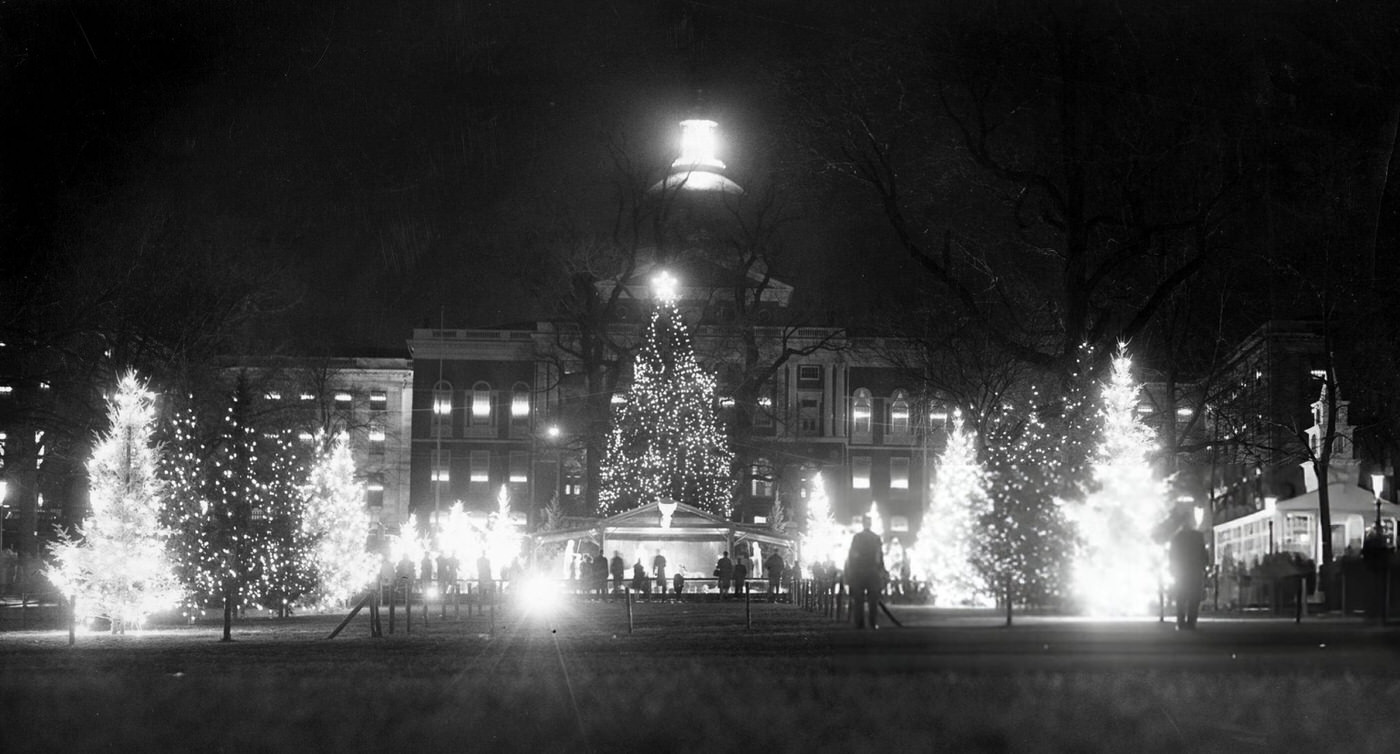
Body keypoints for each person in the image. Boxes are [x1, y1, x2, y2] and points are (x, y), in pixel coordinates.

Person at [845, 515, 886, 629]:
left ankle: (859, 623)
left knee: (859, 600)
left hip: (859, 572)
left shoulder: (857, 538)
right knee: (873, 600)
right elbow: (879, 556)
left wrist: (850, 572)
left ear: (863, 524)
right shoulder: (876, 538)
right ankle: (872, 622)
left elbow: (852, 556)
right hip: (872, 571)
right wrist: (881, 570)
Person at [1169, 522, 1208, 629]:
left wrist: (1173, 569)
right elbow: (1203, 553)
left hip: (1181, 571)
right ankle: (1191, 622)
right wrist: (1204, 566)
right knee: (1194, 597)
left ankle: (1181, 622)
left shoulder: (1177, 537)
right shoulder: (1198, 536)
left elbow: (1172, 555)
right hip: (1195, 570)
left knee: (1181, 597)